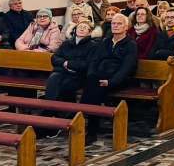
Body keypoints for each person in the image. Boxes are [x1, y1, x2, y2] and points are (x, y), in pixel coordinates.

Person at [81, 14, 138, 144]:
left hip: (119, 79)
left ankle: (89, 127)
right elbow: (94, 60)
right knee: (93, 85)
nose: (115, 26)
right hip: (100, 76)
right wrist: (91, 74)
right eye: (113, 23)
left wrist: (111, 82)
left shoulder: (130, 44)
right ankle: (86, 122)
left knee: (94, 91)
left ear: (126, 27)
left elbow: (126, 68)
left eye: (119, 24)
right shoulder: (106, 41)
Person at [44, 21, 97, 104]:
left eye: (85, 28)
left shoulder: (93, 46)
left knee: (64, 85)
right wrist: (64, 63)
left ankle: (63, 109)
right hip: (62, 71)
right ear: (75, 30)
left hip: (78, 75)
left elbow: (87, 64)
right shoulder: (67, 43)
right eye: (80, 27)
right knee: (53, 78)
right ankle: (49, 107)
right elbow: (54, 58)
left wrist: (69, 64)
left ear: (90, 32)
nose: (81, 29)